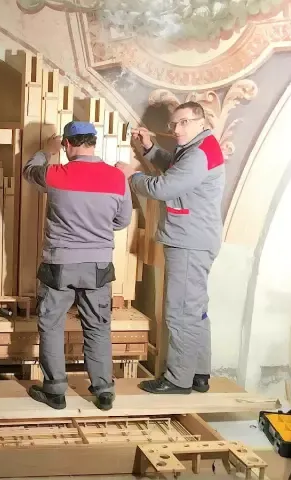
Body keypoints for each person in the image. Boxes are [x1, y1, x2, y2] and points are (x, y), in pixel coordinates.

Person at [22, 121, 132, 411]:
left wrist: (46, 152)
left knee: (51, 324)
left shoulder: (55, 173)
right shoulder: (117, 178)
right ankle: (104, 391)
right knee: (97, 326)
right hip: (98, 265)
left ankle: (55, 391)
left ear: (68, 145)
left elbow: (29, 171)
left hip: (60, 263)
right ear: (93, 143)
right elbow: (122, 221)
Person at [116, 101, 225, 395]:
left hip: (189, 241)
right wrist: (150, 149)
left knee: (180, 312)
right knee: (195, 310)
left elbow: (163, 188)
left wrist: (131, 175)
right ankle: (198, 374)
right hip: (195, 239)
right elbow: (177, 170)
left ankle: (178, 380)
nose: (177, 129)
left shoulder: (198, 154)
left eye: (184, 122)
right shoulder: (198, 147)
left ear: (202, 122)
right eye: (174, 124)